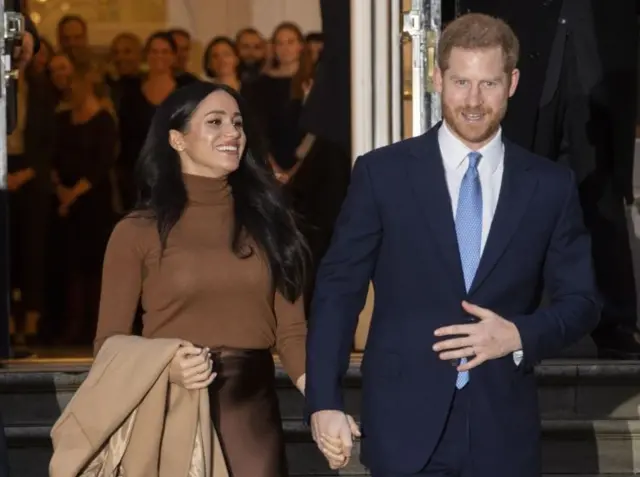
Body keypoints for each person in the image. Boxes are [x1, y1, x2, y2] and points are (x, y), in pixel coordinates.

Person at [305, 14, 600, 477]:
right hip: (402, 426)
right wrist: (323, 400)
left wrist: (519, 335)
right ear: (437, 78)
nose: (474, 101)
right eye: (461, 82)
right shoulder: (382, 174)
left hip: (503, 428)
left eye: (489, 84)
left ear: (513, 83)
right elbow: (338, 291)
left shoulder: (549, 185)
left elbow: (581, 301)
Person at [94, 81, 309, 477]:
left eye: (238, 123)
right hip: (171, 404)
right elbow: (108, 342)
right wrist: (163, 366)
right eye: (215, 122)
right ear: (176, 139)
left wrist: (322, 400)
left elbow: (292, 333)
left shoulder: (270, 223)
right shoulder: (137, 231)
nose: (233, 134)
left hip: (250, 411)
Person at [451, 0, 640, 358]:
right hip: (526, 48)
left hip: (596, 56)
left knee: (600, 194)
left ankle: (613, 323)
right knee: (516, 190)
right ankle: (506, 314)